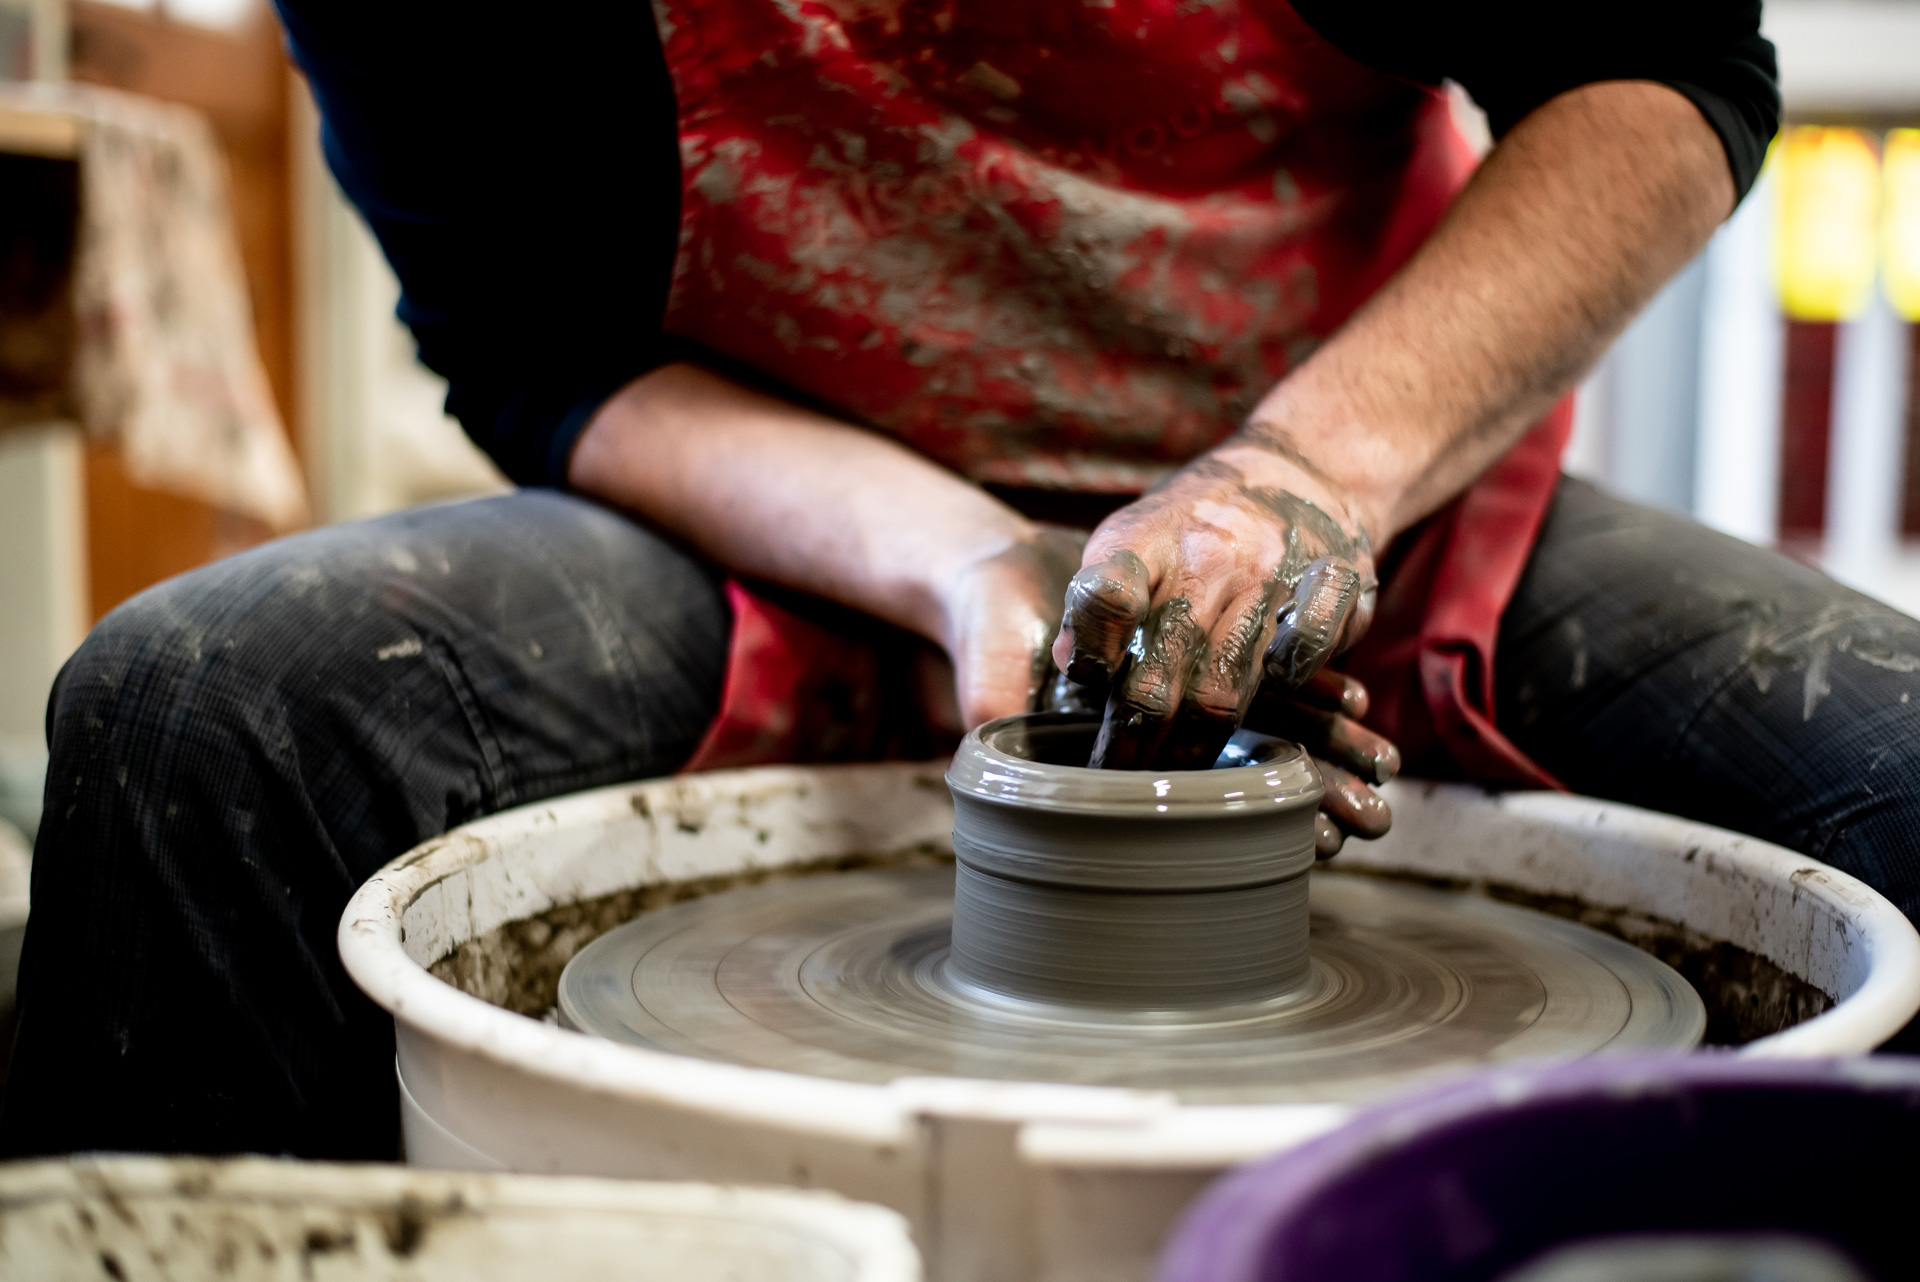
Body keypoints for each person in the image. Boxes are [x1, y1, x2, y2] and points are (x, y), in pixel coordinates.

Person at [10, 0, 1894, 1163]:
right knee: (209, 713)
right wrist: (967, 564)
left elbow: (1663, 68)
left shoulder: (1332, 474)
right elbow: (533, 351)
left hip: (1358, 478)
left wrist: (1297, 478)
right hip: (789, 525)